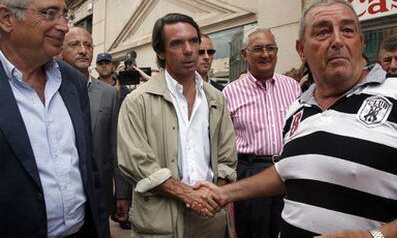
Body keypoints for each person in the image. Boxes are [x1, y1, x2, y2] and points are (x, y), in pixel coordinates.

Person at [194, 0, 397, 237]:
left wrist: (375, 236)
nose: (338, 40)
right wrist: (225, 193)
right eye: (323, 32)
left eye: (348, 30)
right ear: (301, 50)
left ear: (361, 42)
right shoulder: (298, 108)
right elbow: (288, 169)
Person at [0, 0, 109, 237]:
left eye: (64, 14)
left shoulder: (71, 82)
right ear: (6, 18)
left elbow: (88, 168)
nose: (63, 26)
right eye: (50, 13)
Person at [117, 13, 237, 238]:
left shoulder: (216, 99)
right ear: (160, 52)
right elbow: (135, 162)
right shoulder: (137, 101)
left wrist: (213, 195)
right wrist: (187, 194)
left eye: (193, 41)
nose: (189, 49)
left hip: (210, 217)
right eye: (177, 43)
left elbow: (227, 155)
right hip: (161, 221)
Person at [222, 28, 301, 238]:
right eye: (257, 49)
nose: (265, 54)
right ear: (245, 54)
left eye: (271, 48)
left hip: (287, 171)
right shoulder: (230, 92)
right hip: (250, 171)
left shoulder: (292, 87)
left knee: (288, 230)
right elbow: (221, 141)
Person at [61, 27, 131, 228]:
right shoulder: (50, 90)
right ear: (60, 50)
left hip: (100, 196)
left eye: (88, 45)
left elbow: (117, 145)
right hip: (63, 198)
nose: (83, 50)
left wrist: (122, 193)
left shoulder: (109, 94)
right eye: (74, 44)